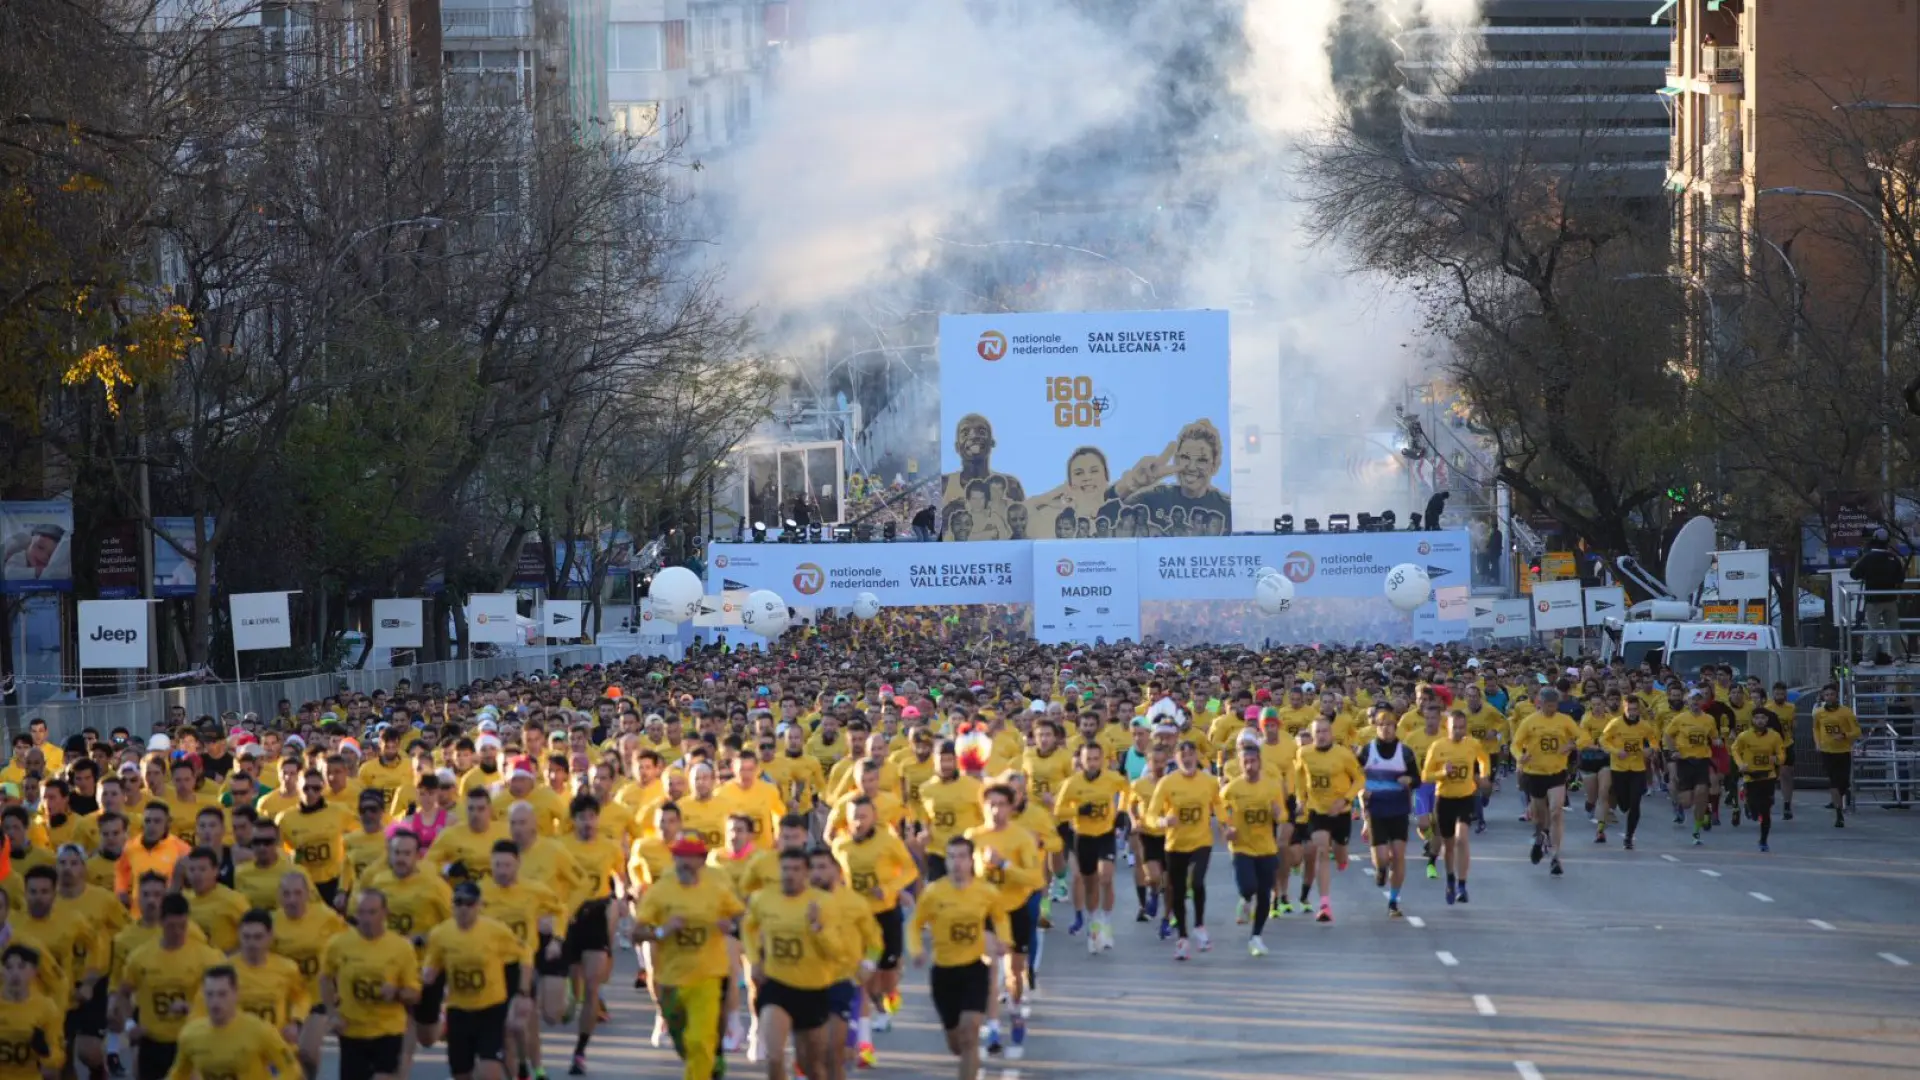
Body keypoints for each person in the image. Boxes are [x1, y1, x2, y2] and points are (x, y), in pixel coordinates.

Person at [632, 837, 744, 1080]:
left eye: (690, 857)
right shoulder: (661, 890)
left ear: (702, 861)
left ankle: (705, 1066)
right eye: (679, 857)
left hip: (708, 977)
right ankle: (708, 1063)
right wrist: (662, 931)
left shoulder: (716, 889)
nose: (684, 863)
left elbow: (741, 916)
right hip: (671, 980)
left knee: (699, 1040)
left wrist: (731, 926)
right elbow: (636, 933)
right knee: (684, 1043)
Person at [907, 836, 1008, 1080]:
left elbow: (1000, 917)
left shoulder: (986, 892)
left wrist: (1004, 939)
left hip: (974, 969)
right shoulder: (934, 893)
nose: (957, 863)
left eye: (962, 857)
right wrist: (916, 950)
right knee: (956, 1043)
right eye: (951, 857)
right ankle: (965, 1056)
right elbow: (914, 924)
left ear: (971, 860)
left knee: (970, 1033)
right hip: (944, 973)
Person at [422, 881, 533, 1080]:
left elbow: (525, 952)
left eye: (469, 903)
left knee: (489, 1071)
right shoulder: (440, 934)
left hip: (490, 1008)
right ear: (452, 905)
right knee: (461, 1073)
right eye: (459, 902)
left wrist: (523, 992)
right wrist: (427, 977)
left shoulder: (495, 931)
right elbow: (432, 965)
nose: (464, 908)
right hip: (458, 1009)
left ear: (479, 905)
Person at [112, 891, 227, 1080]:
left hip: (191, 1041)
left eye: (182, 926)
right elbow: (123, 993)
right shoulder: (141, 958)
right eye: (171, 926)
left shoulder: (207, 957)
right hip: (153, 1043)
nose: (177, 932)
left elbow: (226, 997)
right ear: (161, 922)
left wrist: (195, 1009)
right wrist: (129, 1025)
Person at [320, 889, 423, 1080]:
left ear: (385, 913)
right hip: (352, 1030)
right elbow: (325, 978)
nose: (366, 919)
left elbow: (414, 994)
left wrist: (397, 992)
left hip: (388, 1030)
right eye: (361, 912)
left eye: (372, 912)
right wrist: (332, 1013)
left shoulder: (401, 947)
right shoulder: (338, 944)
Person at [1147, 740, 1222, 958]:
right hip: (1175, 844)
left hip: (1201, 841)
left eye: (1191, 754)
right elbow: (1151, 814)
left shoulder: (1209, 781)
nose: (1187, 759)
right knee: (1177, 891)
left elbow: (1218, 804)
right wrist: (1162, 822)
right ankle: (1182, 937)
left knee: (1197, 881)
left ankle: (1199, 926)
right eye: (1183, 755)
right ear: (1176, 758)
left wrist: (1226, 825)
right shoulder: (1167, 783)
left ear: (1197, 757)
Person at [168, 965, 301, 1080]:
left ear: (235, 993)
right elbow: (178, 1075)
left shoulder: (260, 1031)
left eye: (222, 994)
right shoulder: (190, 1034)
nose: (215, 1002)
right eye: (210, 994)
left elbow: (292, 1069)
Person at [1294, 717, 1363, 923]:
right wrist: (1301, 799)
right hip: (1317, 810)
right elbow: (1299, 776)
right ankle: (1324, 905)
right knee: (1322, 851)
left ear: (1331, 734)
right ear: (1312, 735)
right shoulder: (1304, 753)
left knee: (1340, 854)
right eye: (1317, 732)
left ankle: (1342, 858)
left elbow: (1360, 779)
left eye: (1325, 731)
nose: (1321, 736)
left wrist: (1345, 800)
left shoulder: (1344, 755)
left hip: (1341, 811)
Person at [1219, 743, 1286, 955]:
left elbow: (1283, 815)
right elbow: (1220, 811)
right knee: (1249, 886)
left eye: (1253, 761)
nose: (1249, 766)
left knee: (1265, 893)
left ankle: (1256, 937)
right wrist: (1226, 828)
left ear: (1260, 762)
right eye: (1245, 762)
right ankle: (1246, 899)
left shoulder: (1272, 787)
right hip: (1242, 847)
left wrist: (1278, 814)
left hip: (1266, 847)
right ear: (1240, 764)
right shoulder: (1232, 789)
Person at [1511, 688, 1581, 876]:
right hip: (1535, 772)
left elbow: (1583, 736)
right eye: (1548, 705)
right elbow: (1515, 744)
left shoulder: (1564, 720)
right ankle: (1540, 838)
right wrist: (1519, 756)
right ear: (1540, 703)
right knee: (1539, 817)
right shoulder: (1530, 721)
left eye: (1554, 705)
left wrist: (1572, 745)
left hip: (1557, 771)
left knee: (1556, 811)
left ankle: (1556, 856)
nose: (1552, 709)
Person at [1357, 711, 1419, 917]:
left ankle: (1393, 900)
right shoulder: (1367, 751)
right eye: (1382, 725)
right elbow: (1354, 776)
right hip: (1376, 809)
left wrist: (1409, 780)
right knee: (1383, 857)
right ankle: (1381, 869)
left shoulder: (1405, 752)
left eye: (1390, 724)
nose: (1386, 728)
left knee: (1399, 855)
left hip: (1399, 808)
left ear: (1395, 727)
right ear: (1376, 727)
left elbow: (1417, 779)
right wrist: (1361, 795)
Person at [1423, 710, 1490, 905]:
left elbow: (1484, 759)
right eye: (1455, 728)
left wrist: (1484, 775)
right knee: (1449, 845)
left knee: (1462, 839)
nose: (1459, 731)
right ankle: (1450, 879)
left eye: (1462, 727)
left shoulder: (1472, 744)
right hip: (1444, 799)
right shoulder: (1438, 746)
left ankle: (1462, 884)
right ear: (1447, 727)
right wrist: (1442, 773)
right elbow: (1426, 775)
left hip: (1465, 797)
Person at [1599, 698, 1659, 850]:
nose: (1632, 713)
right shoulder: (1615, 723)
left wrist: (1651, 749)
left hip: (1637, 768)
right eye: (1629, 709)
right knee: (1624, 804)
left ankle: (1629, 836)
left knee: (1635, 803)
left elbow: (1654, 740)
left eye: (1635, 709)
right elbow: (1603, 740)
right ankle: (1621, 805)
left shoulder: (1644, 725)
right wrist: (1616, 751)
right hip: (1619, 768)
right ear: (1624, 709)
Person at [1733, 709, 1788, 852]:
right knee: (1753, 811)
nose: (1760, 721)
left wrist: (1777, 759)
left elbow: (1782, 754)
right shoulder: (1744, 736)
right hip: (1751, 776)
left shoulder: (1774, 736)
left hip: (1768, 775)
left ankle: (1763, 840)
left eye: (1763, 718)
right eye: (1757, 718)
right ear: (1752, 720)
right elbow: (1735, 750)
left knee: (1766, 809)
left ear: (1767, 720)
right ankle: (1746, 800)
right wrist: (1740, 764)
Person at [1848, 530, 1907, 662]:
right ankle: (1898, 657)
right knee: (1893, 628)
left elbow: (1854, 574)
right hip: (1890, 599)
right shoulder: (1894, 559)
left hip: (1873, 600)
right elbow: (1900, 579)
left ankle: (1868, 658)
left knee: (1872, 629)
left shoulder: (1867, 558)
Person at [1812, 684, 1861, 828]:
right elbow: (1815, 728)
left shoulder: (1846, 712)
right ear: (1823, 696)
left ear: (1836, 696)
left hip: (1843, 751)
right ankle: (1839, 814)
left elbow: (1857, 731)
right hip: (1827, 752)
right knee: (1833, 782)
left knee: (1843, 783)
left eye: (1832, 694)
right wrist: (1817, 743)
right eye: (1826, 695)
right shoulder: (1819, 713)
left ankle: (1843, 795)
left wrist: (1844, 735)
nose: (1829, 697)